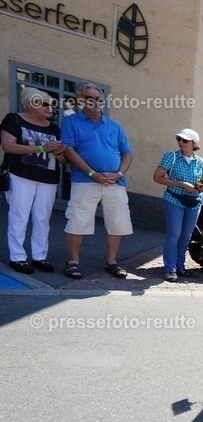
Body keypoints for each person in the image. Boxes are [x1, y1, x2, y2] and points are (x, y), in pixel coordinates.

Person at [60, 82, 133, 280]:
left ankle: (112, 262)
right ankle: (72, 261)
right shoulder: (71, 122)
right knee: (78, 220)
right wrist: (92, 173)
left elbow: (127, 154)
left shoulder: (115, 126)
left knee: (117, 222)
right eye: (89, 98)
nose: (95, 102)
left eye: (99, 99)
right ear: (80, 99)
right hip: (84, 180)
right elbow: (69, 149)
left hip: (115, 182)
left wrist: (118, 174)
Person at [1, 87, 66, 274]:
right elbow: (8, 146)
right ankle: (18, 257)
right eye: (44, 103)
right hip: (20, 175)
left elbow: (63, 160)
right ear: (30, 103)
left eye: (51, 104)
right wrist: (42, 148)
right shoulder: (14, 119)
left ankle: (40, 257)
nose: (50, 108)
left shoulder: (55, 129)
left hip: (48, 179)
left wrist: (58, 152)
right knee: (19, 216)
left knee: (43, 218)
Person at [153, 128, 203, 282]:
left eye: (184, 140)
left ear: (194, 143)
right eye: (179, 139)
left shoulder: (201, 162)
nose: (180, 142)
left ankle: (180, 266)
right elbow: (157, 177)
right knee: (174, 234)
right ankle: (170, 268)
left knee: (186, 236)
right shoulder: (171, 157)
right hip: (174, 200)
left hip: (194, 202)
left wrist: (201, 186)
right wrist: (181, 184)